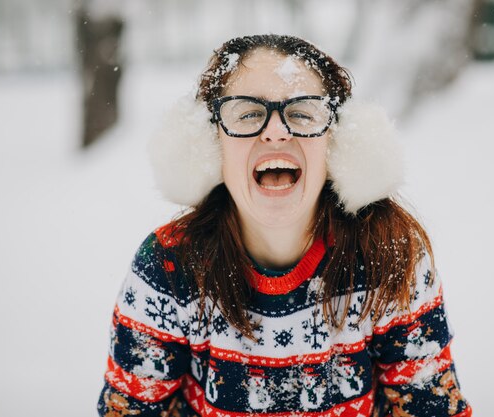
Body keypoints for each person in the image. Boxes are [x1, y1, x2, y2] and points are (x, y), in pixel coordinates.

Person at [97, 34, 471, 417]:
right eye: (247, 113)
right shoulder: (168, 269)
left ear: (336, 144)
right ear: (211, 146)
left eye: (302, 112)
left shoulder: (388, 256)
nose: (276, 131)